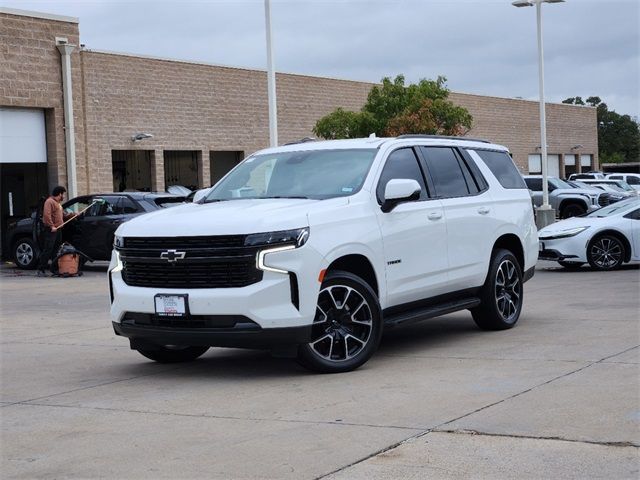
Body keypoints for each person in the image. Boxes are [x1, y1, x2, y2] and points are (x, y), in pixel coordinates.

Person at [37, 186, 75, 276]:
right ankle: (40, 269)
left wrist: (73, 215)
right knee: (48, 249)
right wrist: (51, 226)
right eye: (63, 194)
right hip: (51, 230)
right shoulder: (49, 202)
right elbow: (46, 216)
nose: (64, 196)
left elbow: (63, 216)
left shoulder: (58, 204)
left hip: (58, 229)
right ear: (60, 194)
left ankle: (54, 269)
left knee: (56, 250)